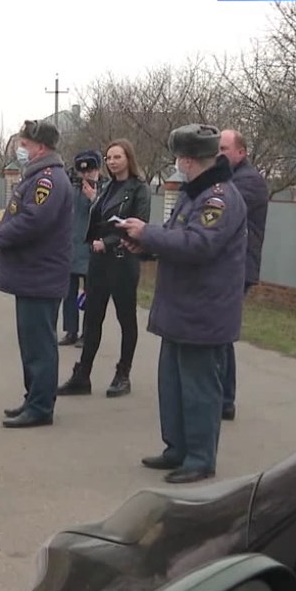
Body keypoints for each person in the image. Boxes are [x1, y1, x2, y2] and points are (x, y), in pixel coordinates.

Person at [115, 124, 246, 484]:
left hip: (203, 312)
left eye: (178, 158)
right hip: (181, 307)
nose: (177, 165)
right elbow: (177, 239)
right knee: (173, 385)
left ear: (188, 160)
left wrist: (148, 233)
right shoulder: (195, 193)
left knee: (199, 389)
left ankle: (201, 458)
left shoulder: (219, 198)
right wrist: (145, 245)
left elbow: (199, 244)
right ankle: (177, 448)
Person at [0, 119, 73, 428]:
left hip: (40, 274)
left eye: (24, 145)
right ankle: (34, 397)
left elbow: (34, 221)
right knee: (32, 341)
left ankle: (40, 406)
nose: (19, 149)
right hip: (33, 273)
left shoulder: (47, 180)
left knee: (40, 344)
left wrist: (1, 236)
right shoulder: (39, 176)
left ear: (40, 147)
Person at [58, 139, 152, 398]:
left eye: (117, 157)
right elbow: (97, 219)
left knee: (126, 319)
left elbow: (139, 225)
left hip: (123, 260)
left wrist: (107, 242)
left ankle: (123, 374)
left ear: (128, 159)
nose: (112, 161)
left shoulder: (138, 189)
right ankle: (82, 375)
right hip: (97, 261)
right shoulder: (108, 187)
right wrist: (93, 241)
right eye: (109, 157)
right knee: (91, 318)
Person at [219, 129, 268, 422]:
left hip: (239, 266)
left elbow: (223, 209)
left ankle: (225, 399)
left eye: (224, 148)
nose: (219, 154)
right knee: (219, 333)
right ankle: (223, 398)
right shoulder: (230, 179)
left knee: (221, 333)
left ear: (241, 152)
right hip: (229, 266)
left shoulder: (249, 182)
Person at [59, 150, 100, 347]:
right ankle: (71, 331)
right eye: (82, 171)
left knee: (91, 295)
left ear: (97, 169)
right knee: (68, 294)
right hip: (71, 248)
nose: (85, 175)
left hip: (92, 250)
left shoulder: (105, 189)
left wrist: (94, 198)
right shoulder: (71, 188)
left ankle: (87, 333)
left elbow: (107, 215)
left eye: (90, 170)